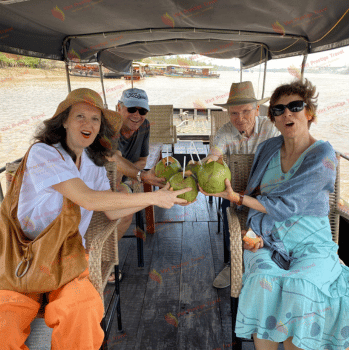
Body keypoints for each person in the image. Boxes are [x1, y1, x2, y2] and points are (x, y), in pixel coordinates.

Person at [0, 88, 191, 350]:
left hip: (68, 256)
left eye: (95, 119)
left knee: (83, 310)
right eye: (80, 116)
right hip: (20, 256)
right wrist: (153, 199)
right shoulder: (43, 153)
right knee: (4, 323)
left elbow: (110, 210)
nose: (88, 124)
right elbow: (86, 198)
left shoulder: (94, 162)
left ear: (101, 127)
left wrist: (139, 191)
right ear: (64, 121)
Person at [200, 80, 349, 350]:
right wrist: (213, 175)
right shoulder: (267, 148)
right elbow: (247, 183)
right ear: (273, 118)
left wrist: (239, 198)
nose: (287, 114)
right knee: (261, 281)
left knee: (301, 287)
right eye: (279, 110)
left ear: (309, 112)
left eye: (295, 106)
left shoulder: (323, 155)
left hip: (309, 240)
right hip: (265, 236)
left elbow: (287, 204)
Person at [207, 81, 279, 289]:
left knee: (272, 219)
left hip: (266, 190)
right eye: (234, 113)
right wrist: (204, 166)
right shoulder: (225, 132)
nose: (240, 119)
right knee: (233, 218)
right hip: (235, 191)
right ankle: (234, 262)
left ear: (257, 109)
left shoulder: (271, 128)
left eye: (246, 111)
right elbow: (215, 154)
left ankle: (265, 258)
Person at [107, 88, 166, 283]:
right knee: (115, 204)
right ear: (119, 107)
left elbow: (142, 160)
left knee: (125, 210)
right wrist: (138, 174)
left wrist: (133, 173)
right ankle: (99, 255)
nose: (137, 115)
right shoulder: (108, 128)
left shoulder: (144, 126)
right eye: (131, 109)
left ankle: (104, 256)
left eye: (142, 111)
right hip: (100, 177)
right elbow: (112, 161)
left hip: (124, 178)